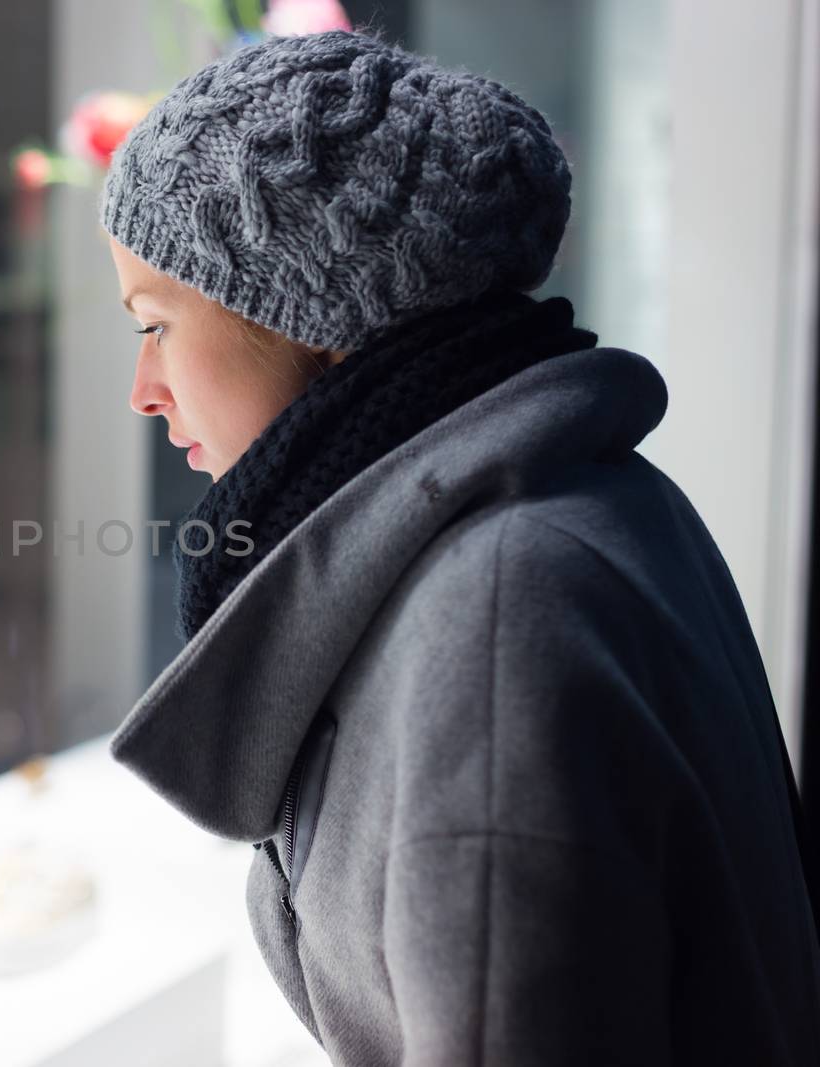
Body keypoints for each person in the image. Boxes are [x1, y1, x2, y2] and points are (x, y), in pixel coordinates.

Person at [100, 29, 820, 1065]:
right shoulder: (593, 497)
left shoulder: (492, 625)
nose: (143, 390)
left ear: (311, 314)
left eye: (155, 322)